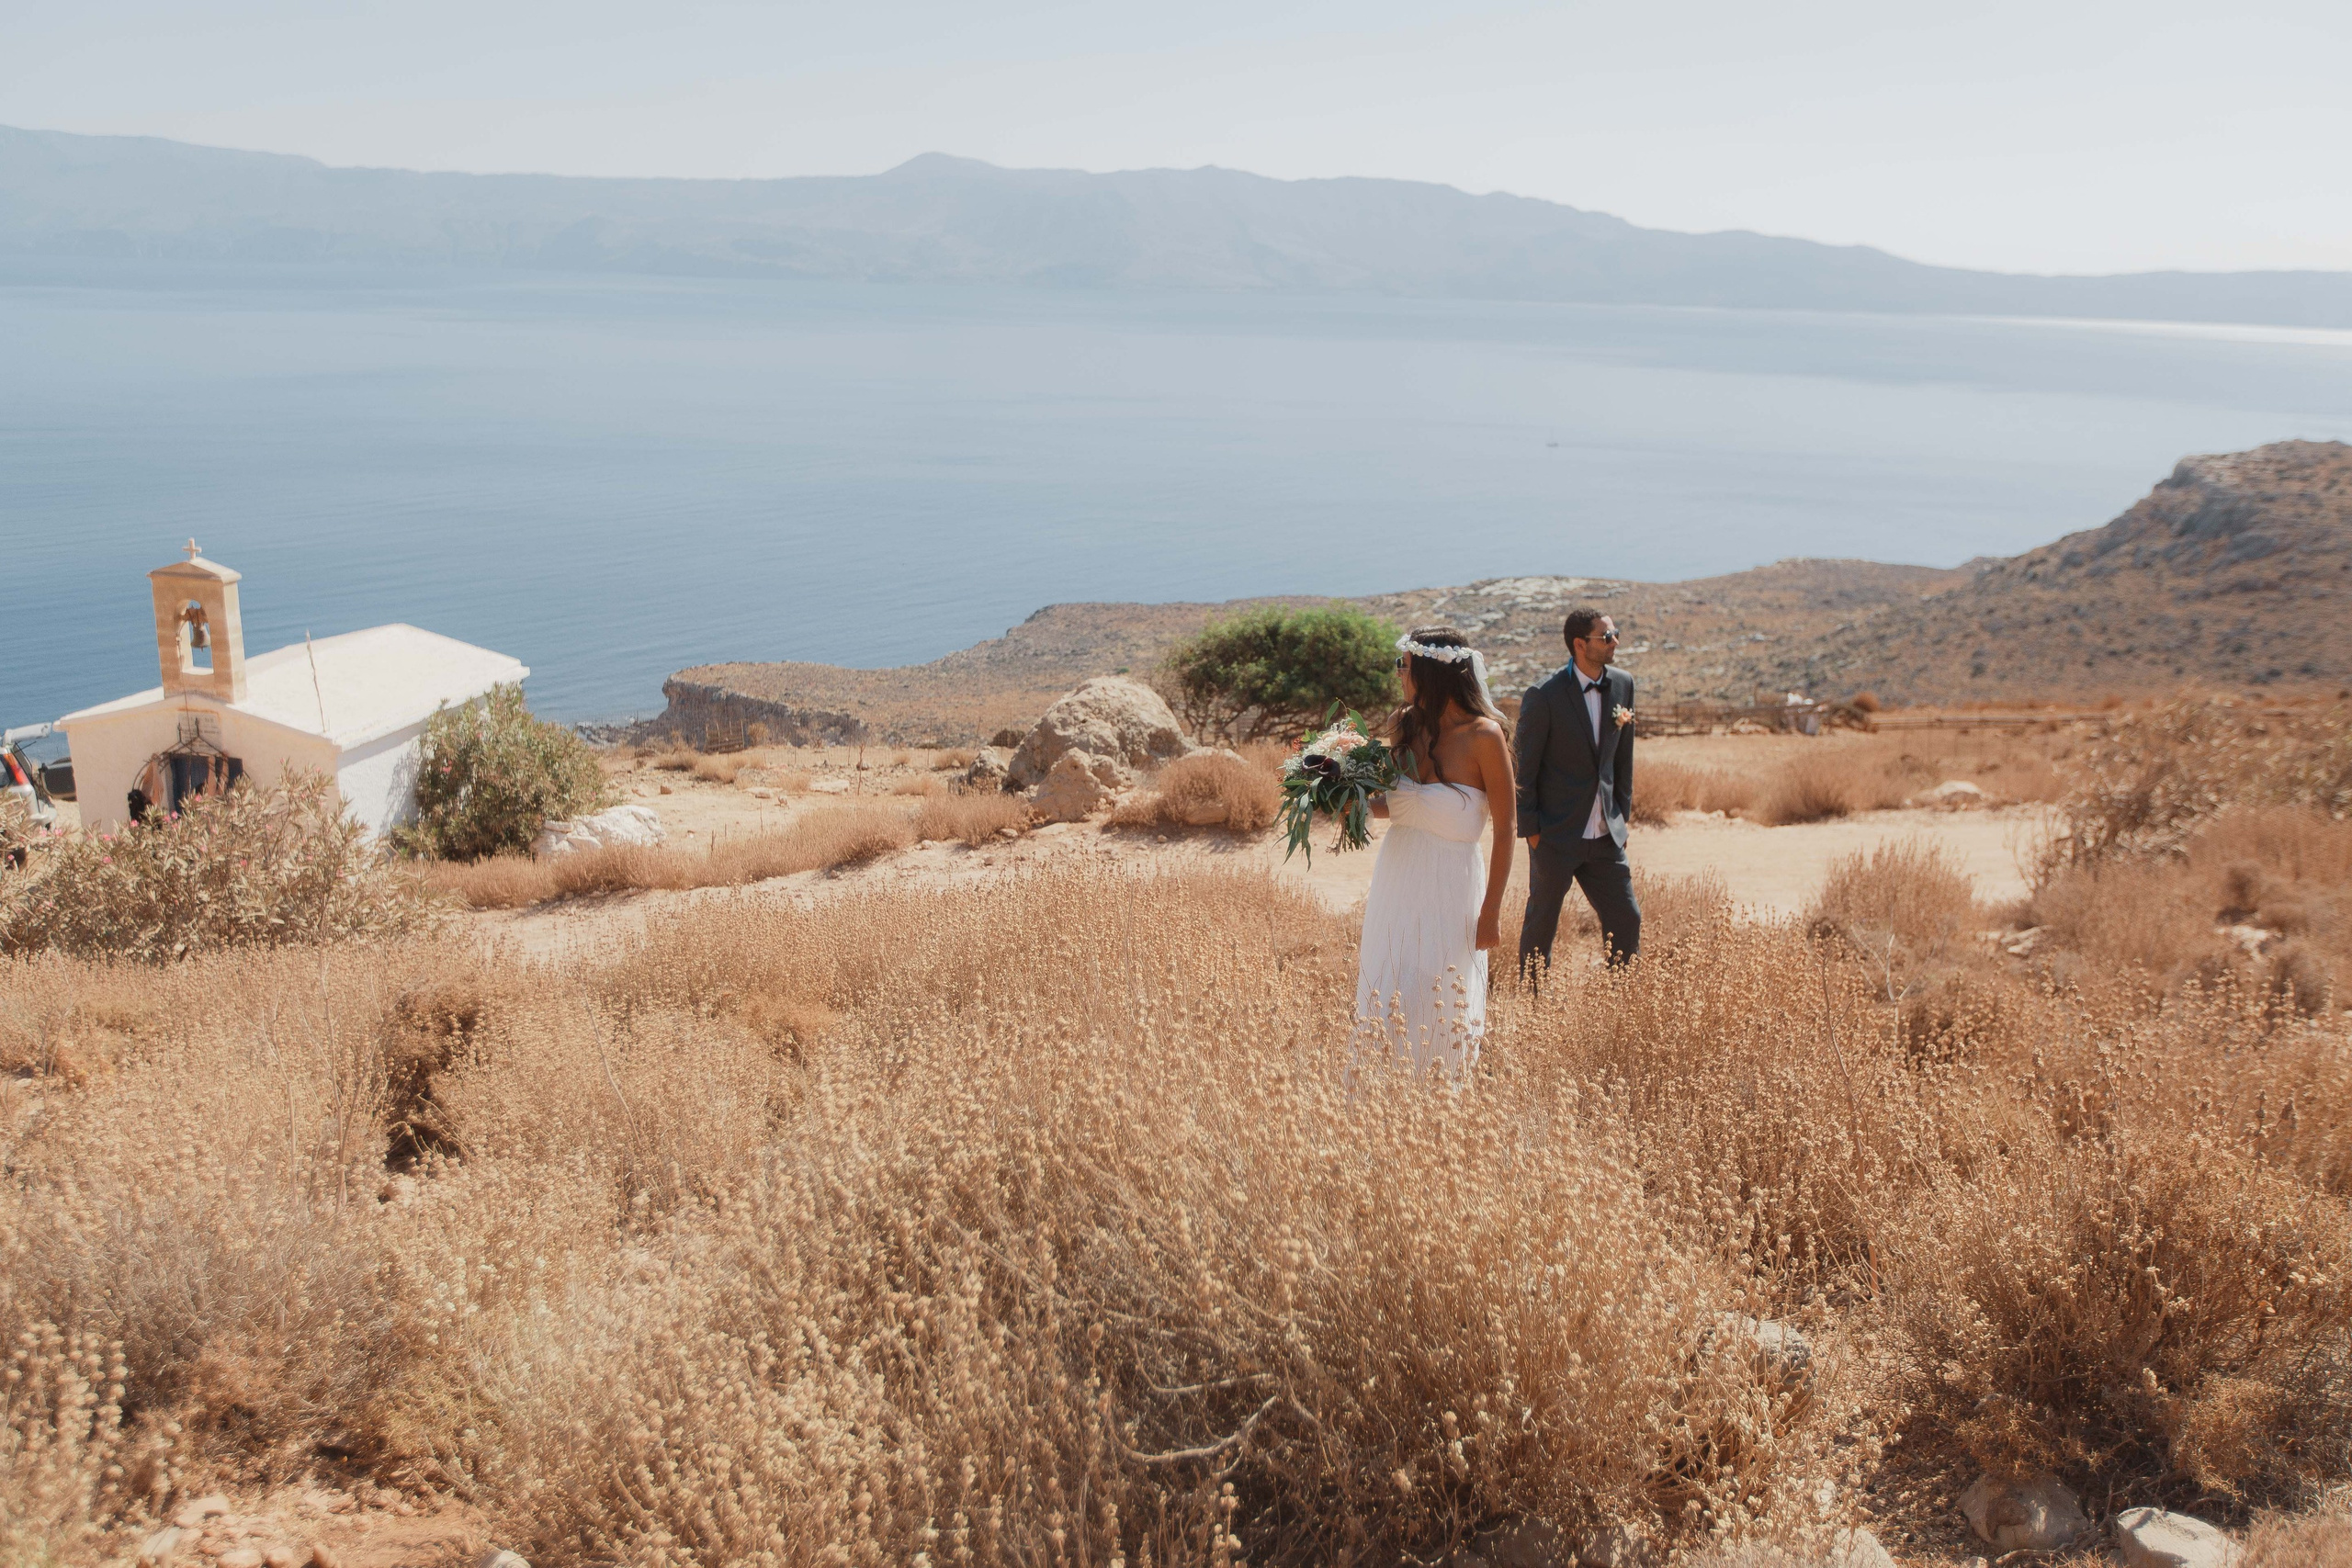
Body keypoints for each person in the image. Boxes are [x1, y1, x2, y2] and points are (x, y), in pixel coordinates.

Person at [1353, 626, 1517, 1077]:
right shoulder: (1404, 725)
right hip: (1398, 878)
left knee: (1438, 992)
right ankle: (1381, 1097)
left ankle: (1436, 1107)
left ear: (1428, 671)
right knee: (1392, 985)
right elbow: (1400, 805)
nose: (1398, 675)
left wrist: (1491, 913)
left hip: (1452, 888)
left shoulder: (1486, 736)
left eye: (1403, 666)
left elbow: (1506, 830)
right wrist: (1350, 799)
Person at [1515, 606, 1640, 979]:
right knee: (1542, 924)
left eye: (1616, 633)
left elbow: (1623, 760)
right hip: (1555, 834)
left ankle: (1620, 1001)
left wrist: (1621, 816)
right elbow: (1525, 769)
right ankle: (1533, 1003)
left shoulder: (1623, 684)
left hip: (1605, 835)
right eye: (1607, 636)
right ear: (1580, 644)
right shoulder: (1544, 695)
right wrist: (1533, 832)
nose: (1615, 641)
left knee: (1627, 918)